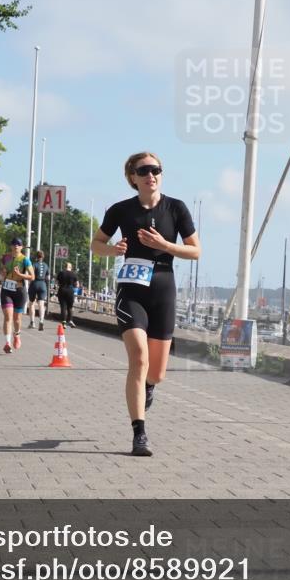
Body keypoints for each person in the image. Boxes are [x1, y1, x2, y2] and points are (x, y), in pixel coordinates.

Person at [91, 152, 200, 456]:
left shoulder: (176, 208)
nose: (151, 175)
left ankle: (149, 387)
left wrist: (164, 245)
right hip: (132, 290)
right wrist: (113, 250)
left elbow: (196, 251)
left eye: (156, 169)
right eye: (144, 171)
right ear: (133, 177)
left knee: (157, 373)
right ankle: (139, 433)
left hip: (163, 289)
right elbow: (96, 244)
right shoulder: (120, 210)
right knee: (139, 358)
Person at [0, 238, 34, 353]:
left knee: (17, 319)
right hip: (6, 290)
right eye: (14, 244)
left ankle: (17, 334)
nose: (16, 246)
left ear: (21, 247)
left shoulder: (25, 260)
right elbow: (2, 272)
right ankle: (7, 343)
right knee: (8, 317)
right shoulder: (5, 258)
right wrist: (3, 272)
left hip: (19, 291)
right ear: (11, 246)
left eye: (18, 244)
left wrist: (20, 274)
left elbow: (32, 276)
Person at [27, 250, 51, 330]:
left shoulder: (34, 265)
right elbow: (48, 278)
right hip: (42, 284)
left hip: (34, 284)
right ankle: (41, 321)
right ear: (43, 257)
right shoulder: (46, 265)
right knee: (41, 304)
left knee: (31, 303)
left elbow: (31, 276)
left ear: (36, 257)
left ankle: (32, 322)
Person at [56, 262, 78, 328]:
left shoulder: (61, 273)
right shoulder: (73, 274)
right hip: (70, 291)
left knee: (63, 307)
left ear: (65, 267)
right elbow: (77, 284)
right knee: (70, 307)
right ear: (70, 267)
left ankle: (64, 322)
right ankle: (70, 320)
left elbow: (57, 282)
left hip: (62, 290)